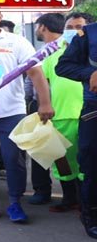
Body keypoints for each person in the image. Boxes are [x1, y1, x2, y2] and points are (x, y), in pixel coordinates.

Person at [0, 11, 54, 223]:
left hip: (11, 113)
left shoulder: (17, 42)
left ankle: (15, 203)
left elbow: (35, 73)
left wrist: (45, 102)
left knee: (13, 160)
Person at [32, 13, 83, 212]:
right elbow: (41, 82)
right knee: (62, 162)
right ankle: (70, 199)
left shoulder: (91, 52)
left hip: (87, 114)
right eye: (69, 27)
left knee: (86, 161)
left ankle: (87, 202)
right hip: (58, 115)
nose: (72, 31)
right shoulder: (51, 53)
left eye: (78, 26)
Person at [55, 19, 97, 239]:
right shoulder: (89, 34)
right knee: (92, 164)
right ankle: (90, 216)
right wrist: (89, 73)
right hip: (95, 109)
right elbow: (63, 66)